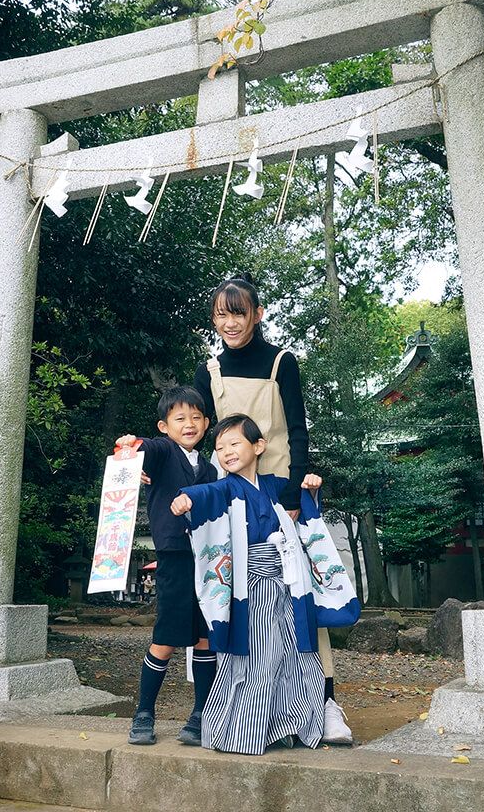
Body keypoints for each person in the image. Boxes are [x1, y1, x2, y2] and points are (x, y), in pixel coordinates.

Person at [193, 273, 353, 744]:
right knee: (227, 596)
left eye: (238, 313)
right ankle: (221, 707)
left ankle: (323, 704)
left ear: (257, 314)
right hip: (227, 502)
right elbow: (193, 430)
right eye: (221, 314)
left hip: (280, 496)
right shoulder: (210, 371)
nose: (230, 323)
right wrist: (150, 459)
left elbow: (298, 430)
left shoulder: (282, 362)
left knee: (301, 598)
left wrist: (293, 499)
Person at [170, 415, 360, 755]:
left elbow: (302, 503)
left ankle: (288, 723)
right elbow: (204, 495)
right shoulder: (225, 488)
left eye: (234, 443)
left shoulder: (275, 486)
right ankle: (244, 731)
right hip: (250, 588)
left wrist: (311, 488)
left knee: (292, 653)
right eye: (220, 447)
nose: (226, 452)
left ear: (258, 446)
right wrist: (186, 500)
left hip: (286, 584)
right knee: (256, 654)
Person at [115, 385, 217, 747]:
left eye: (195, 418)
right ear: (164, 426)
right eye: (179, 419)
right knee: (166, 639)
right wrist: (133, 445)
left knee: (206, 638)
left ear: (206, 423)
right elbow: (145, 449)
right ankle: (144, 712)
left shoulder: (209, 468)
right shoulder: (162, 452)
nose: (188, 424)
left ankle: (202, 713)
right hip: (174, 555)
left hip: (209, 559)